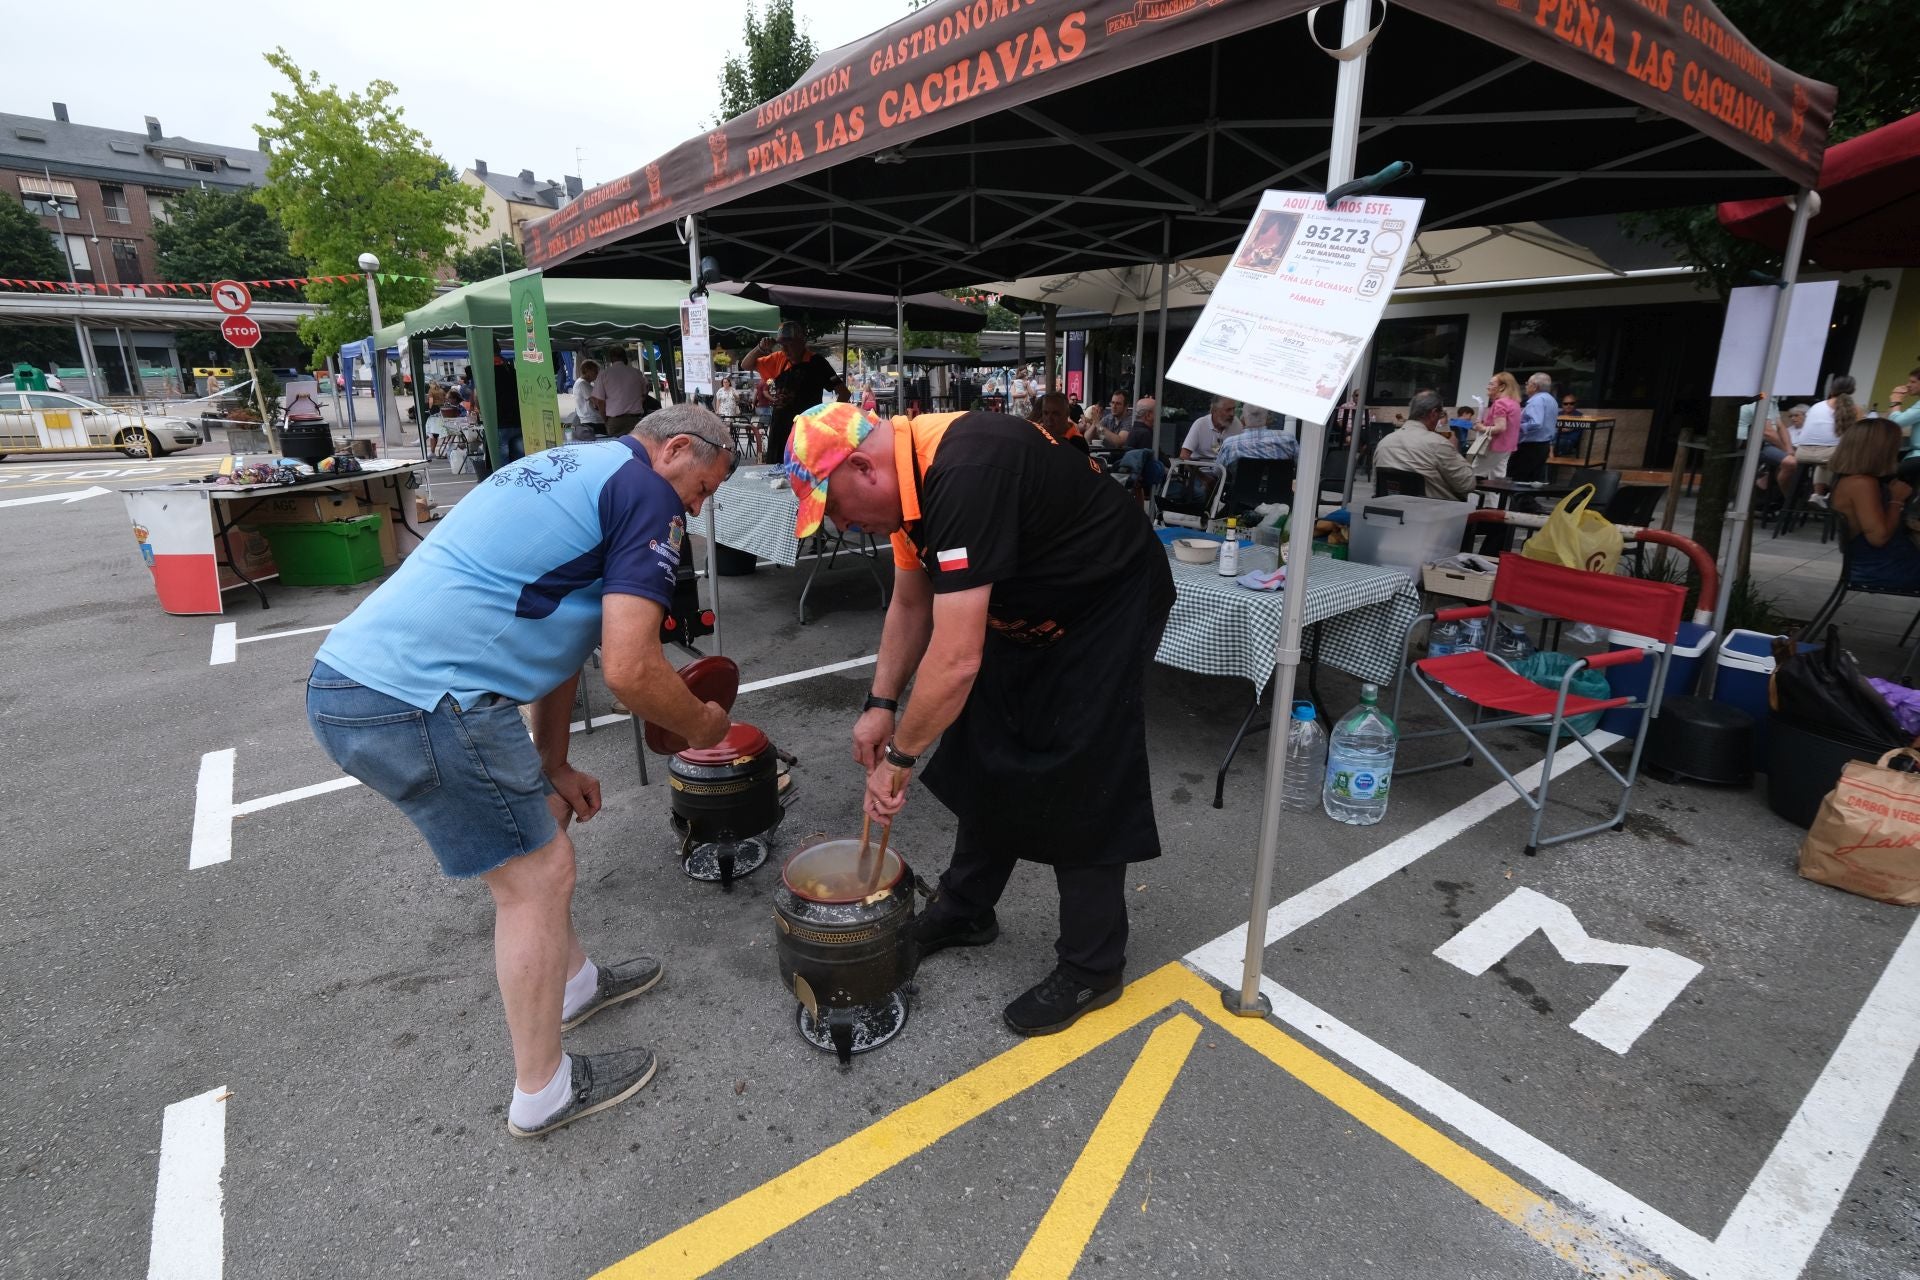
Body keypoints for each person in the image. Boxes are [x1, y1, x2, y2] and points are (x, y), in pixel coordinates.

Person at [305, 404, 737, 1137]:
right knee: (536, 878)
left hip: (360, 681)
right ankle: (543, 1092)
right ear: (677, 451)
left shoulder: (575, 466)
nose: (697, 509)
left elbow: (562, 632)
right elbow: (632, 670)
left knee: (540, 843)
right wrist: (706, 727)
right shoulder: (648, 495)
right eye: (704, 488)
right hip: (422, 701)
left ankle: (575, 985)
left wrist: (554, 761)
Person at [783, 401, 1174, 1036]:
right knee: (986, 736)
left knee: (1082, 764)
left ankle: (1091, 964)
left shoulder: (965, 470)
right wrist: (880, 708)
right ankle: (967, 907)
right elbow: (911, 607)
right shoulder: (906, 483)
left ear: (862, 467)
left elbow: (958, 657)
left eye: (840, 508)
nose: (846, 524)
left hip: (1106, 599)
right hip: (1024, 598)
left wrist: (901, 760)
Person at [1831, 418, 1920, 589]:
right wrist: (1896, 500)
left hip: (1883, 563)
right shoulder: (1862, 484)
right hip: (1883, 568)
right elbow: (1878, 538)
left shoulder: (1847, 479)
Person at [743, 320, 847, 465]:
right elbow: (745, 364)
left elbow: (844, 393)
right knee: (775, 474)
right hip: (779, 431)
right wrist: (760, 348)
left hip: (806, 433)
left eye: (789, 344)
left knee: (802, 475)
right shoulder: (779, 358)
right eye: (782, 345)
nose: (785, 349)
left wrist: (828, 420)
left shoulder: (817, 362)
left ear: (801, 342)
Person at [1370, 390, 1475, 501]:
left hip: (1392, 512)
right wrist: (1455, 451)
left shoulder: (1384, 442)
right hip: (1434, 513)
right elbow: (1467, 484)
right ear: (1434, 413)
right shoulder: (1438, 444)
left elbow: (1376, 487)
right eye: (1440, 415)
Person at [1795, 375, 1856, 507]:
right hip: (1828, 454)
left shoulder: (1816, 406)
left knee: (1825, 461)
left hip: (1801, 453)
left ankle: (1818, 494)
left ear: (1832, 390)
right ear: (1852, 390)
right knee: (1854, 459)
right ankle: (1838, 496)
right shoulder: (1853, 409)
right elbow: (1856, 434)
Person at [1737, 392, 1798, 496]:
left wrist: (1789, 449)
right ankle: (1788, 500)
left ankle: (1766, 479)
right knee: (1790, 463)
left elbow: (1781, 426)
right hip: (1751, 444)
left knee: (1796, 457)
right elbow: (1768, 432)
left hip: (1764, 443)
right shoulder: (1760, 398)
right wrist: (1785, 451)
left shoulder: (1771, 400)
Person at [1474, 371, 1524, 480]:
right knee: (1497, 479)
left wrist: (1482, 427)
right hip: (1507, 447)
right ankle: (1495, 498)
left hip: (1494, 445)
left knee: (1475, 474)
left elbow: (1500, 427)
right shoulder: (1514, 403)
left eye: (1491, 384)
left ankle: (1472, 498)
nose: (1488, 387)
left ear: (1502, 387)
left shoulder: (1500, 403)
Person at [1215, 405, 1298, 469]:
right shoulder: (1288, 439)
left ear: (1243, 419)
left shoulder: (1230, 444)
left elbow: (1218, 472)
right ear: (1268, 418)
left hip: (1241, 491)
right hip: (1280, 490)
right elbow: (1300, 466)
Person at [1511, 373, 1558, 481]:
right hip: (1543, 444)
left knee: (1520, 479)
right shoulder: (1551, 400)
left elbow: (1536, 423)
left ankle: (1520, 498)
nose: (1526, 386)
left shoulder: (1537, 400)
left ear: (1535, 386)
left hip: (1531, 446)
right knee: (1532, 480)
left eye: (1527, 383)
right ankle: (1526, 498)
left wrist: (1517, 426)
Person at [595, 348, 649, 435]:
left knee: (615, 447)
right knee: (634, 446)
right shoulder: (636, 372)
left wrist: (605, 419)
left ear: (611, 359)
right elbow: (645, 392)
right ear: (625, 357)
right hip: (634, 419)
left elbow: (600, 401)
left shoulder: (604, 374)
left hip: (615, 421)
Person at [489, 354, 525, 462]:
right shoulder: (513, 372)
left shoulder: (489, 375)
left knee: (503, 460)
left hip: (501, 423)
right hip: (518, 420)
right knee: (519, 459)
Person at [1180, 396, 1235, 462]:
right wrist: (1195, 471)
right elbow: (1184, 456)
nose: (1232, 414)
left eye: (1233, 409)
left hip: (1226, 470)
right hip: (1200, 469)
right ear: (1215, 410)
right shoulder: (1200, 424)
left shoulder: (1237, 425)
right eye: (1228, 410)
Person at [572, 359, 604, 443]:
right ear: (587, 371)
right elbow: (596, 402)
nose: (597, 374)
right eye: (595, 372)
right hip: (593, 420)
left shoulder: (584, 383)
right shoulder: (583, 384)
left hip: (591, 419)